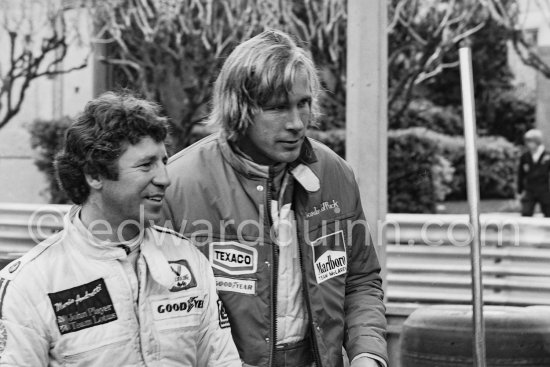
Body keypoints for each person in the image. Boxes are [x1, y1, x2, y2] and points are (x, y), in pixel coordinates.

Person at [161, 30, 388, 367]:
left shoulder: (334, 173)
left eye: (304, 103)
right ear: (239, 108)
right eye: (277, 108)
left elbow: (360, 280)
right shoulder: (178, 183)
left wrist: (368, 354)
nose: (297, 123)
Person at [0, 92, 241, 366]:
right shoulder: (31, 283)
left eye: (163, 161)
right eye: (146, 165)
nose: (164, 178)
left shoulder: (188, 257)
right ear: (94, 175)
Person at [517, 129, 550, 217]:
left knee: (548, 213)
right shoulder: (525, 156)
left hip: (545, 189)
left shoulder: (547, 155)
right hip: (530, 189)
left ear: (538, 142)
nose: (528, 144)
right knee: (526, 213)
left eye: (530, 142)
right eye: (527, 142)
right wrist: (519, 191)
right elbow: (521, 174)